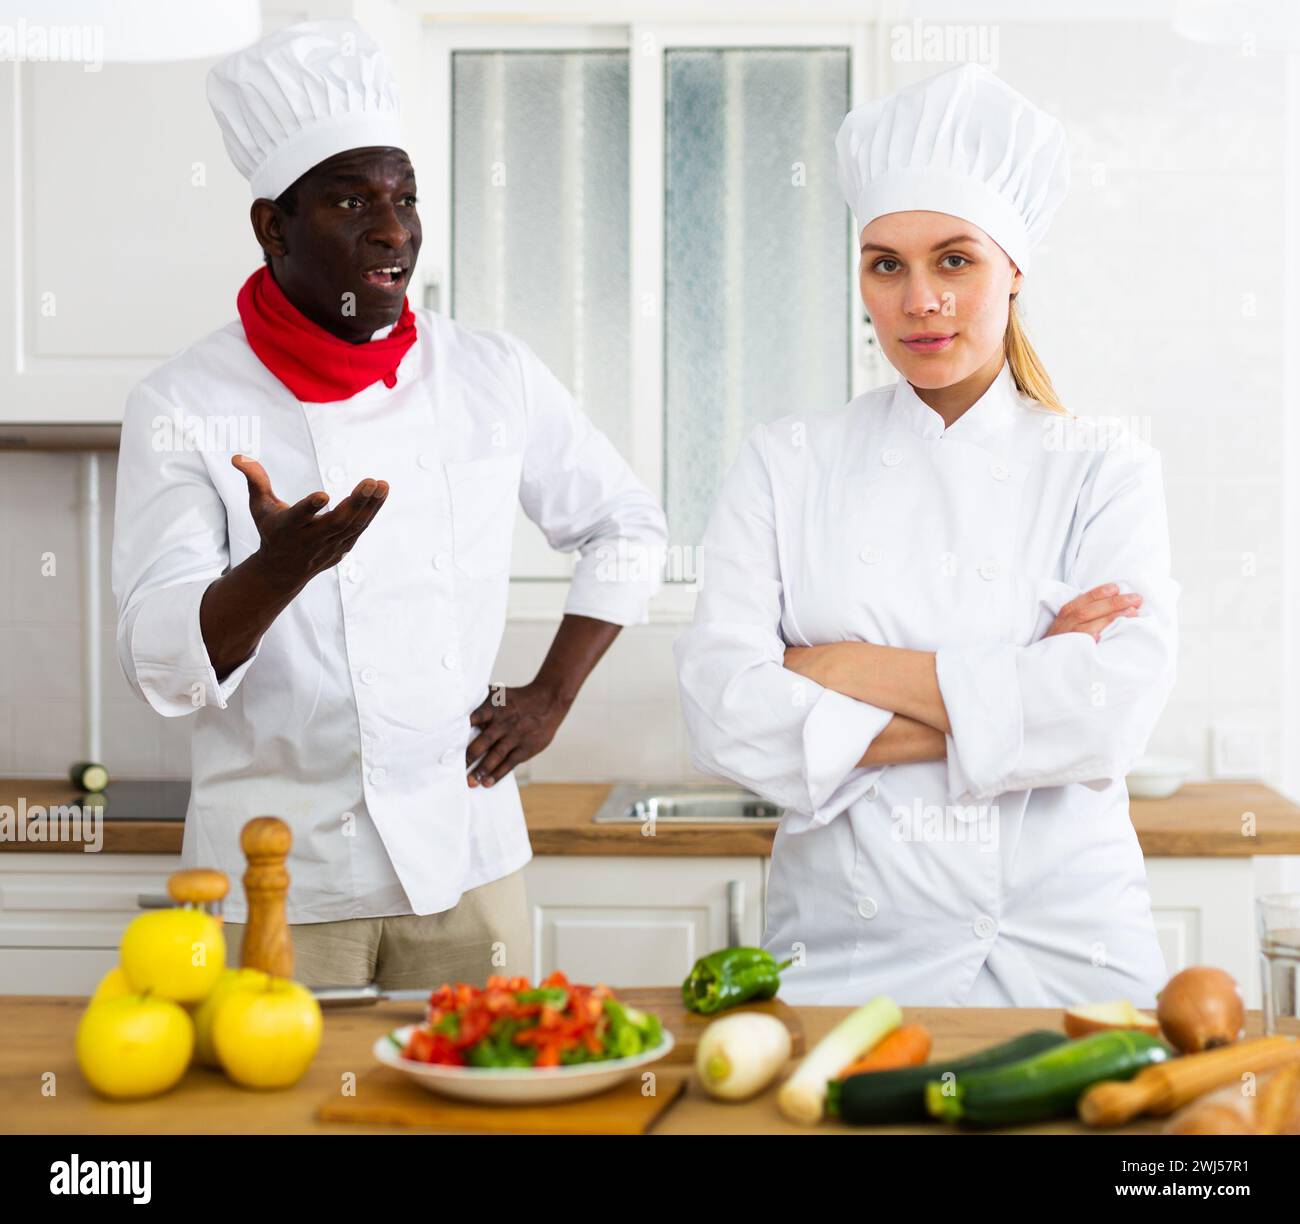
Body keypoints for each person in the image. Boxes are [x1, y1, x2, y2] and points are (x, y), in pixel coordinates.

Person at [112, 20, 667, 989]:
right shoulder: (184, 402)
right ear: (272, 227)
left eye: (405, 197)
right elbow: (159, 660)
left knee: (491, 1103)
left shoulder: (488, 373)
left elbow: (627, 524)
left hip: (467, 854)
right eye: (351, 199)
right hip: (277, 872)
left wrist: (549, 698)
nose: (394, 229)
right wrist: (277, 570)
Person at [673, 63, 1180, 1007]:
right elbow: (721, 714)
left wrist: (839, 667)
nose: (920, 301)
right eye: (886, 264)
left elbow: (1111, 711)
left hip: (1071, 952)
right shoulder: (786, 461)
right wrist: (1019, 692)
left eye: (956, 259)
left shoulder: (1102, 465)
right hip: (850, 955)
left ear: (1014, 268)